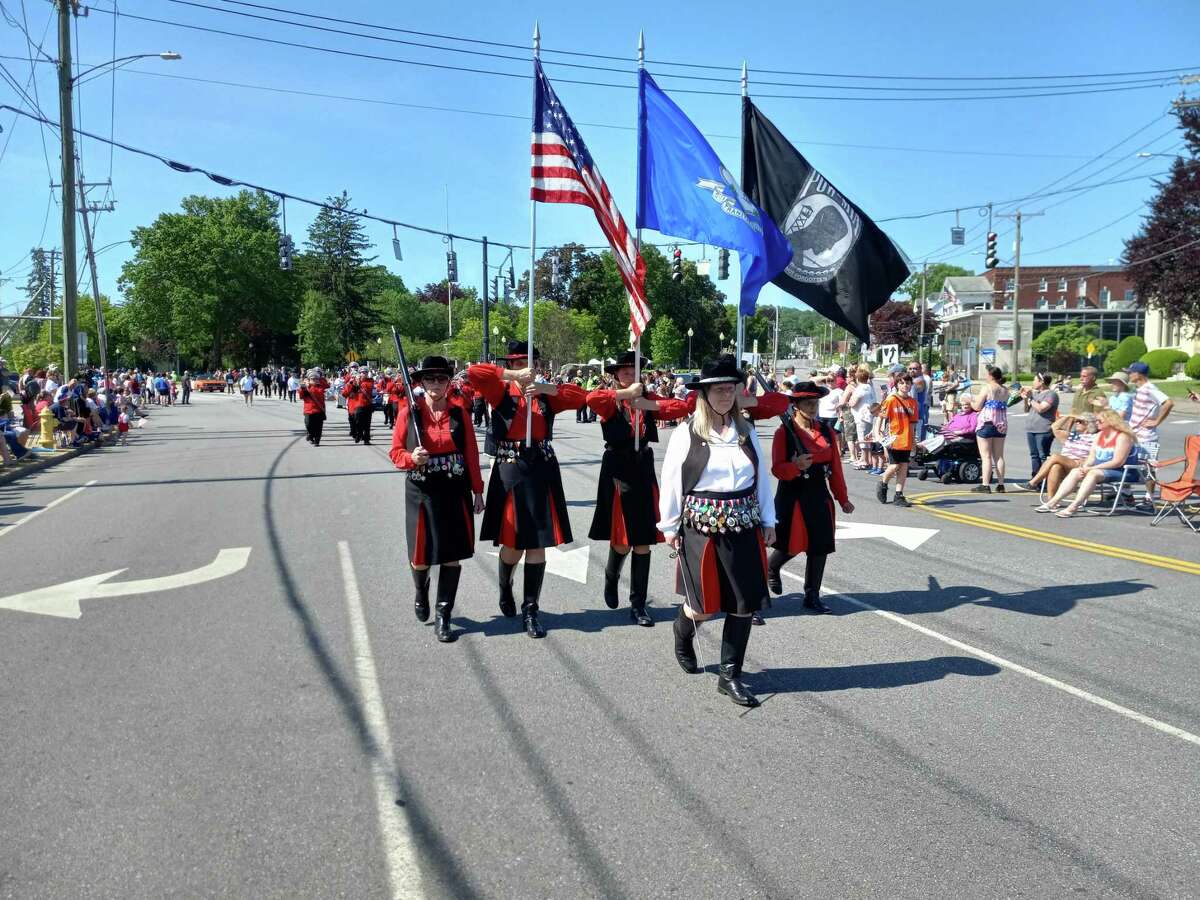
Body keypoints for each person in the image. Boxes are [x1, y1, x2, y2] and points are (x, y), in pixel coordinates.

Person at [658, 355, 775, 708]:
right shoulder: (687, 433)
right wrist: (668, 525)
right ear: (704, 394)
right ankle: (682, 633)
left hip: (744, 525)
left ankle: (730, 675)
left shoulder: (746, 431)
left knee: (742, 604)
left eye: (731, 388)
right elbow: (672, 482)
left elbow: (761, 480)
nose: (726, 394)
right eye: (718, 389)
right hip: (701, 530)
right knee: (703, 606)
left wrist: (769, 520)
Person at [468, 340, 586, 639]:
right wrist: (511, 377)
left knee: (538, 544)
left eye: (525, 363)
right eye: (516, 362)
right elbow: (475, 373)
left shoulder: (545, 395)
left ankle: (530, 610)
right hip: (511, 469)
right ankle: (505, 585)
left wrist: (545, 388)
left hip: (541, 469)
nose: (522, 367)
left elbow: (581, 397)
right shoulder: (501, 389)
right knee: (513, 544)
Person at [585, 350, 689, 626]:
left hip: (642, 467)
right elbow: (591, 399)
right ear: (616, 375)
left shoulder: (647, 397)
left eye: (635, 371)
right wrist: (625, 394)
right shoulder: (610, 399)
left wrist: (646, 404)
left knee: (643, 541)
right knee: (622, 539)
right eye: (625, 371)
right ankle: (611, 575)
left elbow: (680, 407)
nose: (631, 375)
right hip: (618, 468)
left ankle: (638, 604)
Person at [389, 357, 486, 643]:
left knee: (451, 554)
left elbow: (471, 453)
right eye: (429, 379)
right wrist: (411, 458)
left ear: (448, 382)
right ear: (420, 383)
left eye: (440, 379)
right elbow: (395, 451)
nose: (435, 384)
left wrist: (478, 490)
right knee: (420, 556)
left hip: (454, 488)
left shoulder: (460, 413)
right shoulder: (409, 413)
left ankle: (444, 614)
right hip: (422, 490)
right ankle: (421, 591)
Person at [767, 381, 854, 615]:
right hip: (793, 493)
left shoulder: (826, 430)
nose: (813, 406)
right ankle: (771, 569)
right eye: (808, 402)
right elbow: (777, 469)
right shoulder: (784, 432)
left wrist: (842, 498)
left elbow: (835, 467)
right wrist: (794, 466)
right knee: (790, 545)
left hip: (818, 492)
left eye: (815, 402)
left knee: (819, 547)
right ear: (795, 405)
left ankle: (812, 596)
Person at [1036, 410, 1135, 517]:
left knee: (1093, 474)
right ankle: (1052, 502)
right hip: (1101, 470)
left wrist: (1092, 468)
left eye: (1099, 421)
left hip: (1122, 471)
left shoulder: (1123, 437)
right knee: (1076, 471)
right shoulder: (1100, 435)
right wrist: (1085, 466)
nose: (1096, 423)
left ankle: (1074, 506)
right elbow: (1092, 456)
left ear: (1110, 421)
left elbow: (1118, 462)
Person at [1021, 414, 1096, 496]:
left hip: (1079, 465)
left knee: (1055, 457)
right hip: (1065, 466)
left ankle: (1033, 482)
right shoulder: (1071, 436)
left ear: (1089, 424)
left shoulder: (1094, 437)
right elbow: (1054, 427)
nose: (1077, 423)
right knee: (1055, 467)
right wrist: (1068, 416)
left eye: (1080, 422)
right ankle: (1051, 501)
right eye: (1076, 421)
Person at [876, 373, 918, 507]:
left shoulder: (913, 403)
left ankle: (898, 495)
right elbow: (881, 417)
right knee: (894, 466)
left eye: (907, 383)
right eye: (902, 383)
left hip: (906, 439)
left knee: (904, 467)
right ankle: (883, 483)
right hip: (893, 439)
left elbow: (912, 424)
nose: (905, 385)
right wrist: (878, 433)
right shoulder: (891, 400)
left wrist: (913, 442)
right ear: (897, 384)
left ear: (911, 385)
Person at [971, 365, 1009, 493]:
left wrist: (969, 400)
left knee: (986, 456)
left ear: (991, 376)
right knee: (999, 456)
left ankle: (985, 484)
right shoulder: (1005, 390)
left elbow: (977, 406)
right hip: (1001, 423)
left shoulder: (987, 388)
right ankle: (1001, 484)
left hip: (987, 422)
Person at [1126, 361, 1173, 463]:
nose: (1128, 375)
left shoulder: (1149, 388)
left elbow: (1168, 403)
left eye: (1130, 373)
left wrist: (1156, 421)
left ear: (1138, 374)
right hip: (1134, 435)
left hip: (1145, 438)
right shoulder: (1139, 389)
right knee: (1136, 471)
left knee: (1147, 471)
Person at [1021, 372, 1059, 476]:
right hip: (1031, 429)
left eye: (1035, 380)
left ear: (1041, 382)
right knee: (1034, 455)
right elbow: (1026, 410)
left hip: (1043, 430)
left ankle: (1045, 480)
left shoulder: (1051, 394)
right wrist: (1026, 399)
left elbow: (1041, 408)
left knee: (1043, 456)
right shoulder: (1035, 394)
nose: (1033, 382)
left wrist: (1030, 398)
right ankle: (1035, 479)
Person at [298, 368, 329, 446]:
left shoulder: (320, 387)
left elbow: (319, 393)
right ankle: (310, 435)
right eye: (313, 379)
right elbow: (301, 396)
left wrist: (309, 388)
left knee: (318, 427)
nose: (315, 380)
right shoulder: (305, 388)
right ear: (309, 379)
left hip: (319, 410)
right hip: (308, 410)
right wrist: (303, 388)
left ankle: (317, 441)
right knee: (308, 424)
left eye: (316, 379)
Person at [343, 370, 374, 444]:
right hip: (358, 405)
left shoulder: (369, 381)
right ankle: (359, 433)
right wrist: (351, 383)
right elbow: (345, 393)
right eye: (361, 373)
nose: (363, 374)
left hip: (367, 404)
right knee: (357, 421)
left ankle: (366, 439)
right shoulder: (353, 382)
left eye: (365, 373)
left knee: (367, 423)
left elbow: (368, 388)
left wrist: (359, 382)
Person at [908, 361, 930, 440]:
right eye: (910, 368)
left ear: (920, 369)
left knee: (917, 439)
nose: (912, 370)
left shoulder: (919, 380)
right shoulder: (912, 381)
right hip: (912, 413)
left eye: (915, 368)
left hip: (918, 414)